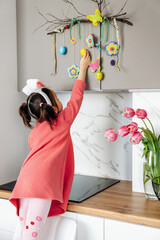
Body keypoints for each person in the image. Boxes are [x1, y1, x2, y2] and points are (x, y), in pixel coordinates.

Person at [9, 50, 91, 240]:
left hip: (24, 182)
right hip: (41, 185)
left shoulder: (36, 129)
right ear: (53, 108)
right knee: (31, 234)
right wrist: (83, 69)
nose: (61, 101)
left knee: (25, 231)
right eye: (57, 98)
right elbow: (76, 98)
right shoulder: (62, 122)